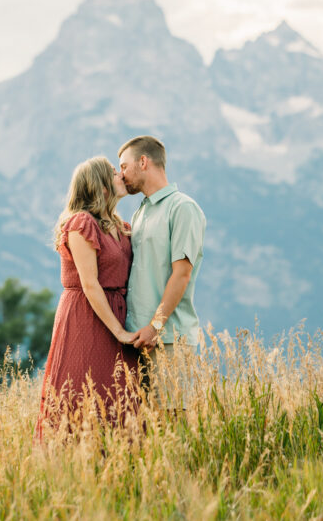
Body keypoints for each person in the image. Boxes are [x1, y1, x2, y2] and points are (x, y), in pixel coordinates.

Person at [35, 157, 139, 438]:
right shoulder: (82, 223)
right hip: (88, 315)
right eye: (114, 173)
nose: (121, 176)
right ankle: (73, 463)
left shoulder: (120, 225)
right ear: (101, 186)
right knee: (82, 389)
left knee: (118, 395)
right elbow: (90, 283)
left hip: (117, 311)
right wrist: (119, 331)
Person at [118, 136, 206, 407]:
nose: (120, 175)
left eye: (124, 166)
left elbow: (182, 273)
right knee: (144, 434)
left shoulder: (183, 208)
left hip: (169, 340)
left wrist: (156, 326)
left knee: (173, 426)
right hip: (136, 340)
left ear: (143, 162)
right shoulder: (139, 213)